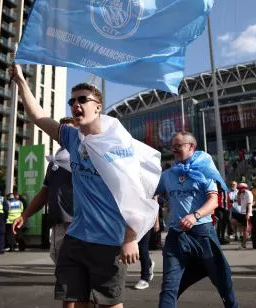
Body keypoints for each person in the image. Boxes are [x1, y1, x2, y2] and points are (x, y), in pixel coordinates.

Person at [10, 64, 157, 308]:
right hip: (76, 238)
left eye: (83, 100)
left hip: (109, 241)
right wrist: (22, 82)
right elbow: (38, 116)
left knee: (110, 304)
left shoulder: (118, 146)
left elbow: (136, 195)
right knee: (72, 302)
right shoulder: (72, 138)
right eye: (72, 101)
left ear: (98, 107)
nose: (76, 104)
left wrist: (130, 238)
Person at [155, 131, 237, 308]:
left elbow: (214, 201)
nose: (173, 150)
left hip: (202, 234)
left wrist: (195, 216)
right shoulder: (167, 175)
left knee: (223, 281)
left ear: (191, 146)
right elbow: (152, 194)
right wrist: (153, 215)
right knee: (169, 287)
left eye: (178, 146)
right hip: (176, 236)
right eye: (172, 147)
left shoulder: (205, 171)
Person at [13, 117, 75, 263]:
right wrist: (24, 216)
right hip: (59, 225)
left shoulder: (85, 156)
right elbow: (44, 193)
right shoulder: (55, 162)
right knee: (63, 271)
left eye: (69, 131)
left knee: (78, 274)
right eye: (61, 130)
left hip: (81, 225)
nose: (63, 134)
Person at [230, 183, 252, 249]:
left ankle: (244, 244)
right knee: (241, 227)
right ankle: (243, 242)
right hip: (241, 213)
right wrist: (239, 195)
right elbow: (239, 203)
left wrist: (247, 214)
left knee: (245, 229)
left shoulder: (248, 193)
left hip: (247, 213)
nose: (239, 190)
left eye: (240, 189)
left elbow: (249, 204)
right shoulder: (241, 193)